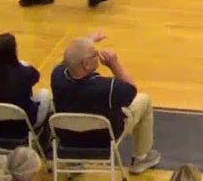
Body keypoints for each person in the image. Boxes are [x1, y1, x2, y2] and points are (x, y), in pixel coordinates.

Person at [51, 36, 160, 173]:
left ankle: (74, 162)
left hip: (68, 140)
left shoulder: (57, 76)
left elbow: (69, 60)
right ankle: (141, 158)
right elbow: (131, 89)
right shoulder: (108, 88)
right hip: (102, 140)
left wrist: (86, 42)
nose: (97, 55)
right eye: (94, 54)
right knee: (144, 100)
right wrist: (114, 63)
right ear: (85, 64)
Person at [0, 32, 54, 127]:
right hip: (22, 126)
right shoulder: (23, 72)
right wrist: (22, 65)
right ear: (13, 52)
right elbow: (36, 76)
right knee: (44, 93)